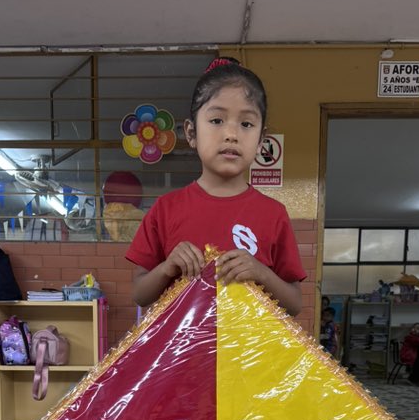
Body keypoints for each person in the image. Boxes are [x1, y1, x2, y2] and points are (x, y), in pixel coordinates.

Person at [129, 57, 305, 316]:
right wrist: (168, 267)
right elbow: (139, 294)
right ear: (191, 133)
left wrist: (261, 273)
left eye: (246, 124)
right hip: (181, 344)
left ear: (260, 141)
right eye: (216, 120)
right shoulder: (165, 209)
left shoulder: (273, 214)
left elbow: (295, 304)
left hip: (249, 344)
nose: (231, 134)